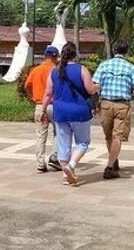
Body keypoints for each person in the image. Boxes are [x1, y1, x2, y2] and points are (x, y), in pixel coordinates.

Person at [40, 42, 101, 186]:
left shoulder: (54, 71)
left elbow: (48, 93)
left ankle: (65, 177)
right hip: (80, 112)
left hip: (60, 112)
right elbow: (90, 90)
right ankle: (71, 166)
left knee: (63, 145)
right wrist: (98, 86)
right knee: (83, 142)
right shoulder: (82, 69)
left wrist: (43, 111)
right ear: (76, 55)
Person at [93, 42, 134, 180]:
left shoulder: (103, 65)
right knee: (117, 137)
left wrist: (94, 104)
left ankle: (113, 160)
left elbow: (96, 85)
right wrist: (132, 93)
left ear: (114, 51)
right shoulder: (130, 67)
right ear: (126, 51)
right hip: (122, 105)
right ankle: (110, 166)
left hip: (106, 104)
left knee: (108, 136)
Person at [25, 46, 63, 173]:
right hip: (55, 105)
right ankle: (55, 157)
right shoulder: (57, 70)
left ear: (44, 56)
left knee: (40, 135)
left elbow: (27, 85)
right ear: (56, 57)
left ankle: (40, 163)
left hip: (40, 105)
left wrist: (34, 96)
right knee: (59, 131)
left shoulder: (36, 70)